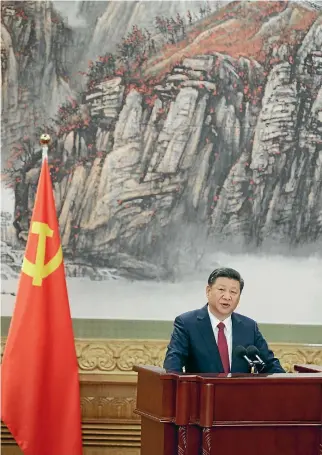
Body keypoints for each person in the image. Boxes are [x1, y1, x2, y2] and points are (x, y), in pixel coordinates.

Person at [163, 267, 285, 374]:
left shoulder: (249, 327)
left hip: (240, 397)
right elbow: (172, 367)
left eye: (233, 292)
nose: (227, 297)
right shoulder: (187, 323)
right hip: (201, 397)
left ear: (239, 297)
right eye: (221, 290)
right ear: (208, 291)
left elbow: (269, 365)